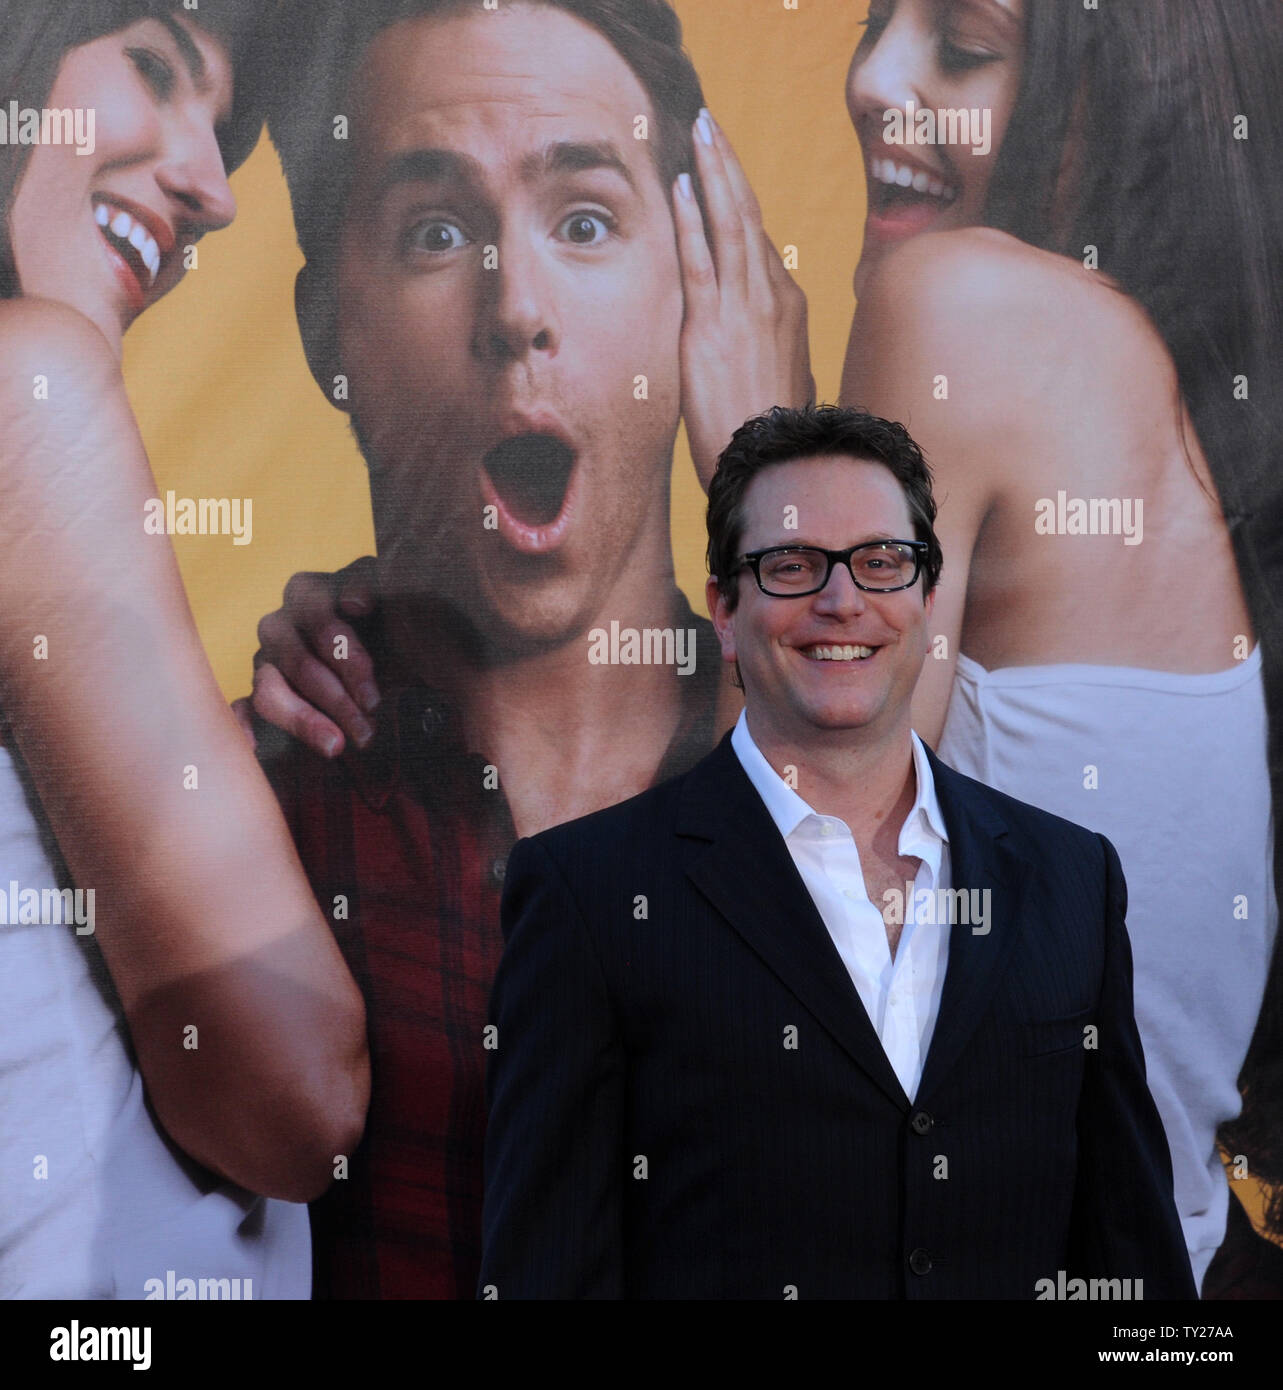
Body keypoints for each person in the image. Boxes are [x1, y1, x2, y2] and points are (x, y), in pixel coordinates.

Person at [247, 0, 816, 1298]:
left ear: (700, 292)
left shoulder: (890, 799)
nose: (516, 309)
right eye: (436, 232)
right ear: (324, 328)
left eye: (582, 220)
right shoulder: (219, 833)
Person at [480, 403, 1196, 1300]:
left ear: (927, 599)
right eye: (789, 566)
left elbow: (1136, 1268)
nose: (841, 600)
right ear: (724, 610)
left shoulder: (1068, 883)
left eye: (880, 562)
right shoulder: (592, 894)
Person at [839, 0, 1283, 1293]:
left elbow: (764, 957)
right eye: (873, 20)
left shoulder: (959, 305)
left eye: (960, 47)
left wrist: (735, 461)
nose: (874, 80)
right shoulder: (1186, 423)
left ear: (1122, 96)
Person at [0, 0, 368, 1299]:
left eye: (217, 123)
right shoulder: (23, 386)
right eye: (150, 69)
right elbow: (291, 1095)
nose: (209, 186)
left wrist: (213, 747)